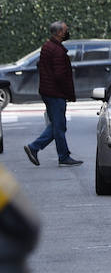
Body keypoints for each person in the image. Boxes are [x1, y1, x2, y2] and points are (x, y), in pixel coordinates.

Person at [23, 21, 82, 167]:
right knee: (59, 126)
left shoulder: (47, 47)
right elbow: (60, 76)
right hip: (55, 93)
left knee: (57, 125)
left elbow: (42, 67)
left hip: (48, 91)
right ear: (59, 33)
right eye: (66, 30)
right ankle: (41, 149)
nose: (67, 33)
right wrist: (68, 93)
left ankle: (43, 150)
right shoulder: (56, 50)